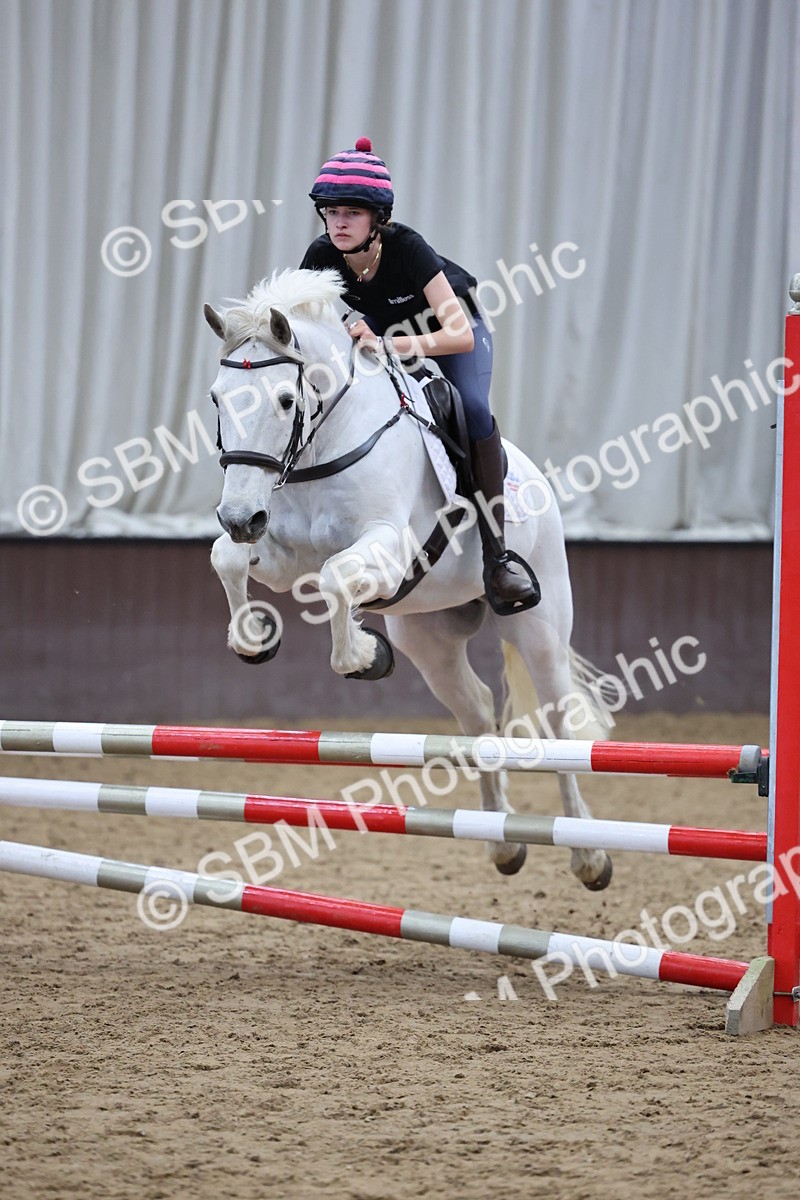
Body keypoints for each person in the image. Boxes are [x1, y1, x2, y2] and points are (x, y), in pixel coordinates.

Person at [300, 137, 540, 613]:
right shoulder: (321, 253)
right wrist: (348, 325)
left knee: (471, 407)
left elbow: (459, 336)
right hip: (386, 337)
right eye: (331, 212)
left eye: (352, 213)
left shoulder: (408, 248)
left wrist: (389, 343)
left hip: (453, 332)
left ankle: (499, 555)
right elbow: (310, 322)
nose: (339, 223)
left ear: (378, 219)